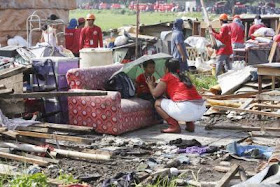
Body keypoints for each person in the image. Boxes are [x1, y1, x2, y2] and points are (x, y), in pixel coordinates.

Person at [146, 59, 206, 133]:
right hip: (200, 110)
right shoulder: (184, 77)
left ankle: (174, 126)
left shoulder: (167, 77)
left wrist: (150, 85)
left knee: (157, 103)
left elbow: (155, 94)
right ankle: (190, 125)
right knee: (183, 101)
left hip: (186, 109)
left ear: (167, 69)